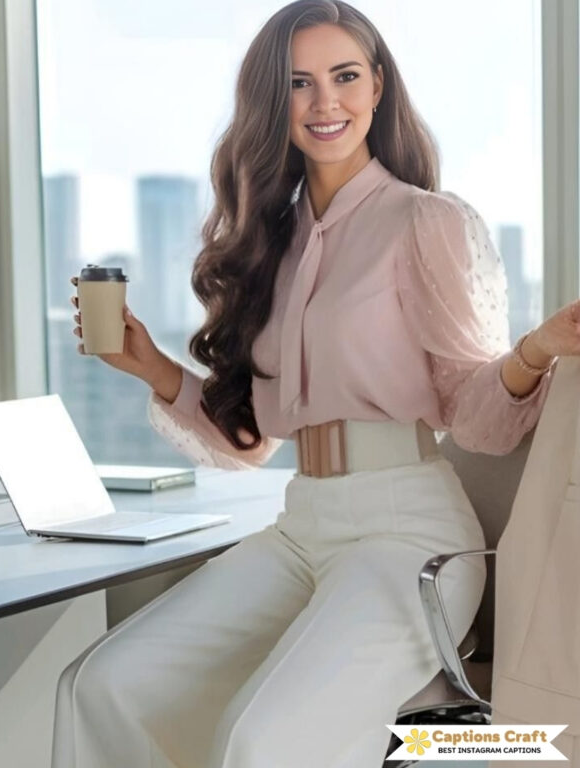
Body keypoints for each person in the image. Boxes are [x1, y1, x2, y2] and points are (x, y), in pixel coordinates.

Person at [52, 2, 580, 766]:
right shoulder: (266, 242)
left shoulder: (423, 222)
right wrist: (154, 368)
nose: (324, 101)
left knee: (262, 739)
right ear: (275, 102)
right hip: (303, 526)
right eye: (300, 83)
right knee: (102, 684)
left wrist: (533, 349)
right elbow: (250, 442)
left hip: (408, 533)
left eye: (344, 77)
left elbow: (475, 416)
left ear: (377, 87)